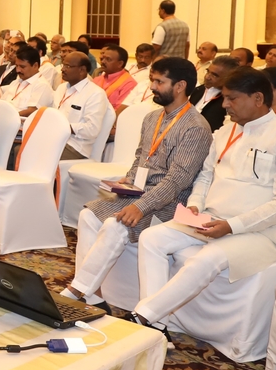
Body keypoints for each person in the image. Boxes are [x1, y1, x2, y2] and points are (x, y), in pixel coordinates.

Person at [132, 68, 276, 331]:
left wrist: (233, 226)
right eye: (224, 97)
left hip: (265, 230)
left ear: (257, 98)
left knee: (206, 259)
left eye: (232, 98)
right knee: (151, 238)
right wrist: (196, 204)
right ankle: (157, 324)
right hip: (213, 217)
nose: (225, 105)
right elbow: (206, 175)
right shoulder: (226, 131)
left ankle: (143, 318)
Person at [67, 58, 213, 305]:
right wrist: (129, 180)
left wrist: (141, 206)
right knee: (87, 216)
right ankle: (92, 295)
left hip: (169, 204)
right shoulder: (152, 117)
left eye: (159, 82)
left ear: (180, 86)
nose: (152, 87)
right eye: (152, 80)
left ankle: (77, 291)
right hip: (138, 192)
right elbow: (140, 156)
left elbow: (178, 180)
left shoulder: (196, 127)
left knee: (116, 224)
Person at [57, 50, 111, 159]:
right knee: (21, 148)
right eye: (63, 65)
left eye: (67, 66)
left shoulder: (95, 94)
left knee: (36, 154)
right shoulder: (61, 88)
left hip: (75, 146)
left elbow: (92, 129)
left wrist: (64, 127)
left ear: (82, 70)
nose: (62, 69)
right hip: (55, 139)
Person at [189, 54, 239, 131]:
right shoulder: (198, 90)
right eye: (208, 71)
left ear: (229, 77)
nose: (207, 77)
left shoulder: (230, 100)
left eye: (215, 75)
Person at [93, 45, 144, 112]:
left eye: (108, 59)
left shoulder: (129, 84)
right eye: (103, 58)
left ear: (120, 64)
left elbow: (120, 112)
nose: (103, 61)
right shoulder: (97, 79)